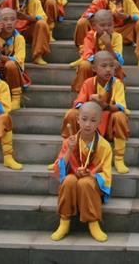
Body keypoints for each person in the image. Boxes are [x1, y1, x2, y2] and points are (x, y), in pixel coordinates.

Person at [50, 101, 112, 243]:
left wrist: (91, 174)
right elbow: (58, 169)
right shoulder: (69, 142)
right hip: (72, 180)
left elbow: (106, 175)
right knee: (68, 180)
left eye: (93, 120)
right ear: (77, 120)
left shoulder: (104, 146)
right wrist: (70, 150)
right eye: (84, 119)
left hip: (91, 183)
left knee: (85, 183)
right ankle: (64, 222)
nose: (88, 124)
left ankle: (93, 222)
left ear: (99, 123)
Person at [62, 50, 130, 174]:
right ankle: (65, 154)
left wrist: (103, 105)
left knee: (120, 116)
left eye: (111, 66)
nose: (108, 70)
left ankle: (119, 158)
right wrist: (91, 105)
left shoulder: (117, 84)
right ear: (94, 68)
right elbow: (78, 103)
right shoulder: (88, 83)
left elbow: (121, 106)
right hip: (89, 124)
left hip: (108, 122)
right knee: (72, 114)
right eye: (104, 66)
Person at [71, 9, 124, 91]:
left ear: (114, 25)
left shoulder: (117, 37)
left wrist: (108, 44)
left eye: (109, 25)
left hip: (109, 66)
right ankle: (82, 93)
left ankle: (111, 92)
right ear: (94, 26)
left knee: (116, 64)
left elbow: (118, 60)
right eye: (102, 25)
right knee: (85, 65)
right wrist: (100, 64)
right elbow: (87, 55)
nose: (106, 28)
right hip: (94, 66)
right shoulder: (90, 36)